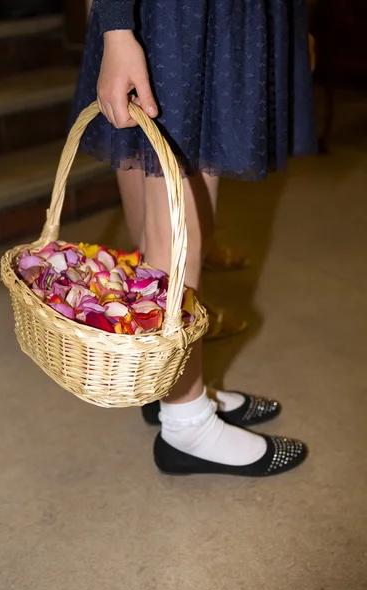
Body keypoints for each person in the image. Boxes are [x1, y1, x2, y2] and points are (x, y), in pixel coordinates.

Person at [71, 0, 317, 476]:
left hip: (193, 16)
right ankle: (187, 422)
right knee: (183, 228)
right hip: (185, 17)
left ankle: (168, 384)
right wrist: (118, 29)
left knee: (156, 209)